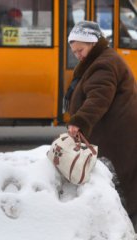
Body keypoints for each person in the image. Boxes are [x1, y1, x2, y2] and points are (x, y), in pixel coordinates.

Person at [65, 21, 137, 230]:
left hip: (116, 136)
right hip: (115, 132)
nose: (78, 55)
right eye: (74, 52)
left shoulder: (103, 64)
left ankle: (125, 225)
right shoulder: (101, 59)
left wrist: (80, 120)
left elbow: (98, 98)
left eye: (81, 49)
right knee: (124, 180)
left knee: (122, 182)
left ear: (92, 43)